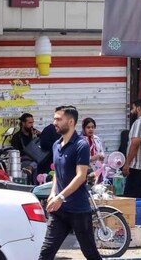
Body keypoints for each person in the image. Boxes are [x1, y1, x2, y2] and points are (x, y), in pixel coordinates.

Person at [38, 105, 101, 260]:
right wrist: (53, 194)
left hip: (78, 210)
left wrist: (60, 197)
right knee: (46, 253)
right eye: (54, 119)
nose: (54, 122)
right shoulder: (56, 145)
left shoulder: (81, 145)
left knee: (91, 254)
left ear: (71, 122)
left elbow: (80, 176)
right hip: (59, 212)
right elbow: (57, 175)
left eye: (59, 119)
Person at [10, 112, 41, 184]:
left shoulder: (35, 133)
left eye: (32, 123)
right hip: (24, 161)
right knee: (33, 167)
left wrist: (40, 136)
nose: (32, 125)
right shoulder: (17, 137)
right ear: (23, 123)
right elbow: (17, 155)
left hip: (36, 160)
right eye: (29, 123)